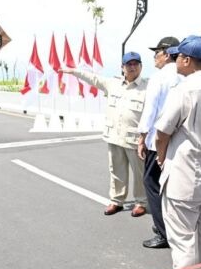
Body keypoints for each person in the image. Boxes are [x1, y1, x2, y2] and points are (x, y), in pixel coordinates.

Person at [155, 36, 201, 269]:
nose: (174, 61)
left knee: (183, 239)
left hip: (185, 176)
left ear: (187, 60)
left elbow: (162, 132)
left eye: (177, 57)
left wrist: (160, 155)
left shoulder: (183, 90)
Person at [62, 52, 148, 216]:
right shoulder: (112, 83)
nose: (132, 67)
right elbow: (93, 78)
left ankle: (141, 202)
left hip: (135, 140)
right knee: (116, 171)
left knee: (140, 173)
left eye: (136, 63)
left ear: (141, 66)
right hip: (114, 136)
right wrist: (73, 71)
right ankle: (117, 201)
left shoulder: (147, 87)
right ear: (122, 67)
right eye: (129, 64)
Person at [137, 36, 181, 249]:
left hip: (158, 141)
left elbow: (150, 111)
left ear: (166, 53)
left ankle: (163, 232)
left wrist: (141, 137)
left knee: (152, 183)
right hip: (179, 142)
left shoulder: (159, 77)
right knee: (172, 186)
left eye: (157, 52)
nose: (155, 57)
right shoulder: (186, 76)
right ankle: (171, 226)